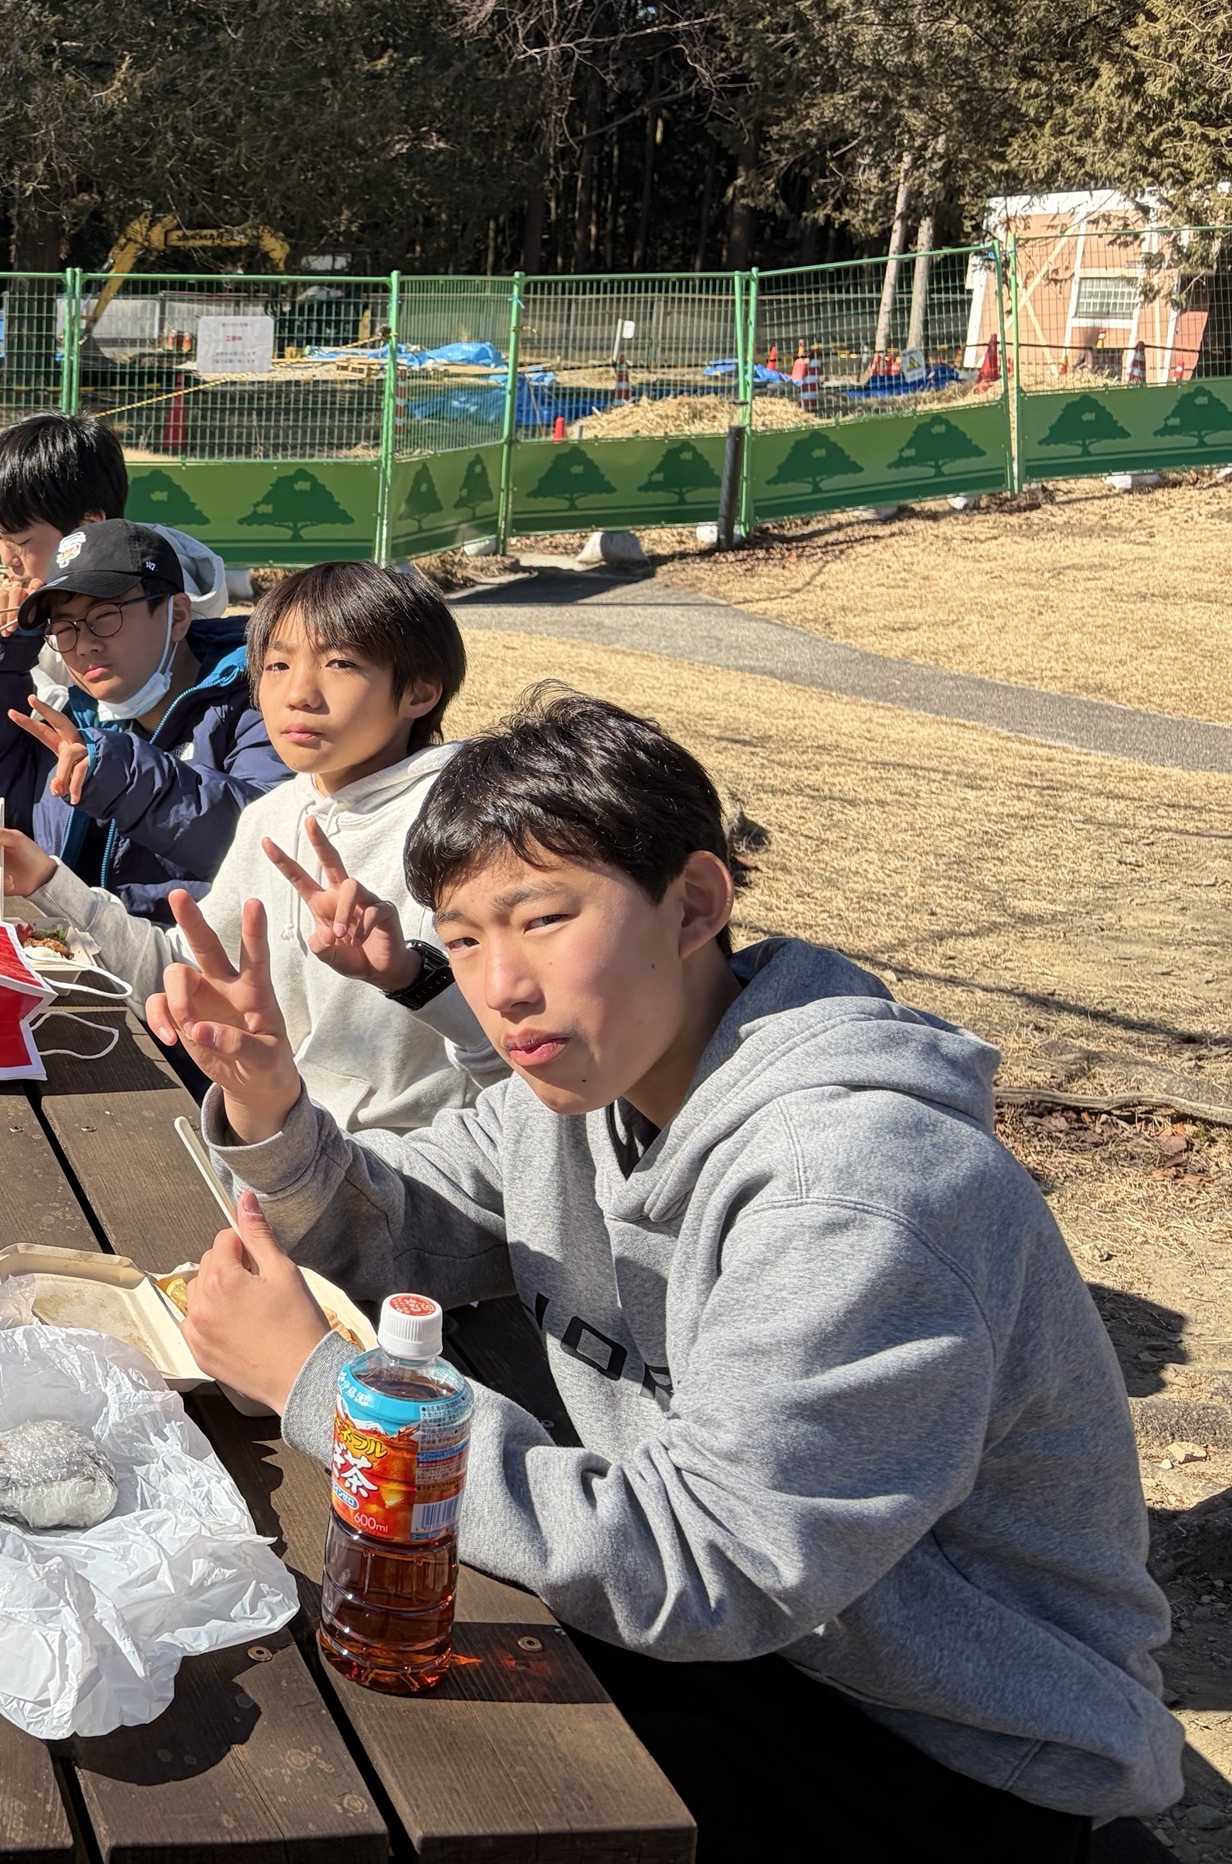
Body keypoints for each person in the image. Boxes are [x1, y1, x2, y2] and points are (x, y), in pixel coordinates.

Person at [161, 689, 1181, 1858]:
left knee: (355, 1778)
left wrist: (328, 1391)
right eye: (465, 938)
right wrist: (267, 1100)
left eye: (542, 919)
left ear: (696, 903)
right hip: (730, 1644)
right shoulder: (580, 1097)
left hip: (946, 1742)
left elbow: (713, 1567)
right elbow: (394, 1233)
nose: (499, 987)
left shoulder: (852, 1191)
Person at [0, 559, 501, 1130]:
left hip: (428, 1178)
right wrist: (49, 882)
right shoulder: (273, 816)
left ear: (420, 690)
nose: (298, 693)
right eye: (276, 664)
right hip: (282, 1150)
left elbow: (539, 1065)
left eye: (340, 663)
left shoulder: (474, 825)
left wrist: (415, 976)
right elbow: (186, 968)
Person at [0, 518, 282, 919]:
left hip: (191, 968)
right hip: (76, 953)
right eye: (63, 627)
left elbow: (270, 847)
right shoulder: (83, 716)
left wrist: (122, 774)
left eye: (105, 615)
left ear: (176, 616)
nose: (84, 644)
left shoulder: (259, 704)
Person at [0, 409, 239, 747]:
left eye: (22, 542)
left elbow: (73, 727)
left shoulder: (152, 602)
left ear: (89, 526)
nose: (7, 559)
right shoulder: (35, 595)